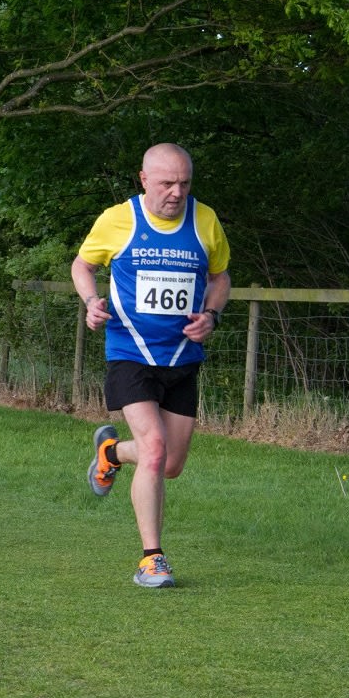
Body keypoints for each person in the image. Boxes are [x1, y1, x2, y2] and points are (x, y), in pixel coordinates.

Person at [71, 142, 231, 588]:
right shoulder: (118, 219)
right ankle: (152, 558)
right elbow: (82, 265)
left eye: (184, 183)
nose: (176, 193)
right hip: (130, 354)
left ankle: (112, 452)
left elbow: (220, 277)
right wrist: (90, 303)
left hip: (182, 357)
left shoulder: (205, 220)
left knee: (170, 464)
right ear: (144, 181)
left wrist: (212, 315)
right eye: (166, 183)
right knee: (156, 448)